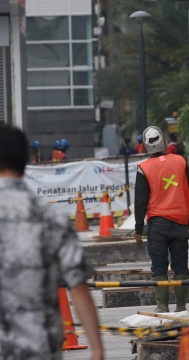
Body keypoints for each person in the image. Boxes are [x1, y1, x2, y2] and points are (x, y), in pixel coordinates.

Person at [0, 124, 104, 360]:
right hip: (40, 348)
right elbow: (77, 286)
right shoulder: (52, 218)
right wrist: (97, 350)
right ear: (25, 162)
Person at [134, 126, 189, 313]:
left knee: (159, 267)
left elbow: (140, 201)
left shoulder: (144, 168)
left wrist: (138, 229)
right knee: (181, 265)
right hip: (180, 222)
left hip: (157, 225)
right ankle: (182, 307)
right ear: (164, 142)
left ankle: (162, 308)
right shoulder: (180, 161)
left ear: (145, 146)